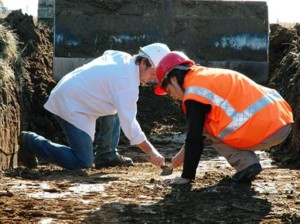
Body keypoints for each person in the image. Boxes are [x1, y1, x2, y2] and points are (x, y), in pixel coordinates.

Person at [18, 43, 171, 170]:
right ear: (144, 63)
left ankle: (106, 154)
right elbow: (130, 127)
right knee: (82, 162)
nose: (154, 79)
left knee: (117, 106)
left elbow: (107, 52)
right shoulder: (127, 85)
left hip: (71, 90)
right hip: (71, 105)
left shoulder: (123, 58)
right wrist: (151, 151)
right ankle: (31, 142)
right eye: (154, 73)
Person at [154, 51, 294, 185]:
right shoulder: (206, 77)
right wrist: (176, 160)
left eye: (168, 90)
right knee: (208, 125)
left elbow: (195, 137)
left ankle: (246, 164)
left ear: (173, 79)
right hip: (283, 121)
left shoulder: (193, 94)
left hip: (264, 129)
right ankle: (248, 164)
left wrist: (186, 177)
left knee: (209, 127)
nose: (172, 95)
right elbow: (195, 136)